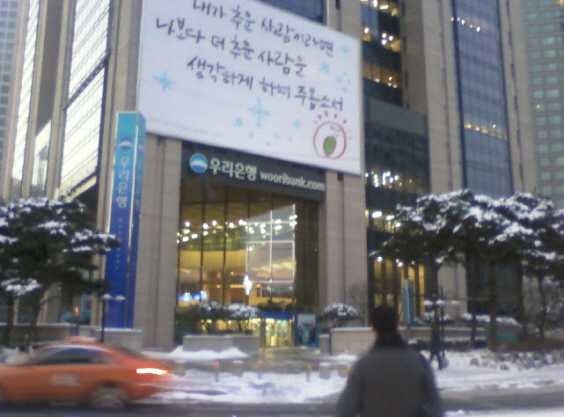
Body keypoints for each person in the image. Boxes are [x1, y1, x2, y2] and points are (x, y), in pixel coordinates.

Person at [336, 305, 444, 417]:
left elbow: (345, 411)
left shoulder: (362, 366)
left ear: (373, 328)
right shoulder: (419, 362)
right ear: (397, 325)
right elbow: (436, 407)